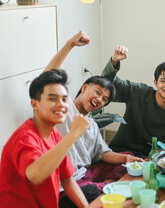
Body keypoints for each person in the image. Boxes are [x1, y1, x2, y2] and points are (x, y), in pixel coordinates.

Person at [0, 69, 100, 208]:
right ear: (35, 103)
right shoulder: (25, 138)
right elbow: (35, 175)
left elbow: (68, 180)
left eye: (64, 99)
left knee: (90, 193)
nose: (61, 104)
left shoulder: (53, 134)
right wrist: (73, 134)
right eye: (52, 99)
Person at [45, 31, 143, 192]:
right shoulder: (64, 107)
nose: (100, 100)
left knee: (126, 161)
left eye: (104, 99)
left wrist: (127, 158)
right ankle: (104, 189)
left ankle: (106, 186)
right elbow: (49, 76)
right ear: (84, 88)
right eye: (98, 93)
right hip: (70, 180)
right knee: (92, 191)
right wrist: (70, 44)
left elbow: (103, 153)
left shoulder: (91, 124)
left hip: (87, 173)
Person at [102, 45, 165, 157]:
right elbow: (107, 85)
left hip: (152, 159)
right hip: (122, 152)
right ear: (155, 82)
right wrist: (114, 61)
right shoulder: (138, 92)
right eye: (163, 81)